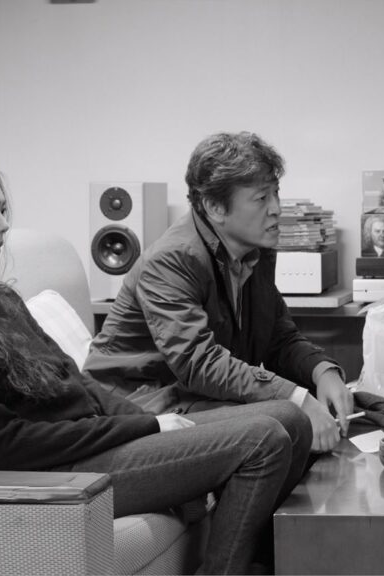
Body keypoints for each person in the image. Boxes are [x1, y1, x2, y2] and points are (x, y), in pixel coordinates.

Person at [0, 148, 311, 574]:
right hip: (58, 471)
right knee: (262, 439)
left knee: (290, 418)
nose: (4, 224)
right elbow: (3, 442)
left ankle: (259, 563)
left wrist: (149, 425)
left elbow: (80, 383)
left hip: (97, 439)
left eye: (3, 209)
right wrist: (147, 425)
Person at [83, 131, 353, 453]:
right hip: (137, 406)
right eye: (261, 198)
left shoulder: (255, 250)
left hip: (191, 398)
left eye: (276, 193)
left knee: (340, 404)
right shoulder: (172, 258)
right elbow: (200, 363)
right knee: (287, 417)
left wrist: (322, 372)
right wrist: (296, 397)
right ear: (214, 206)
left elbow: (278, 337)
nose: (277, 208)